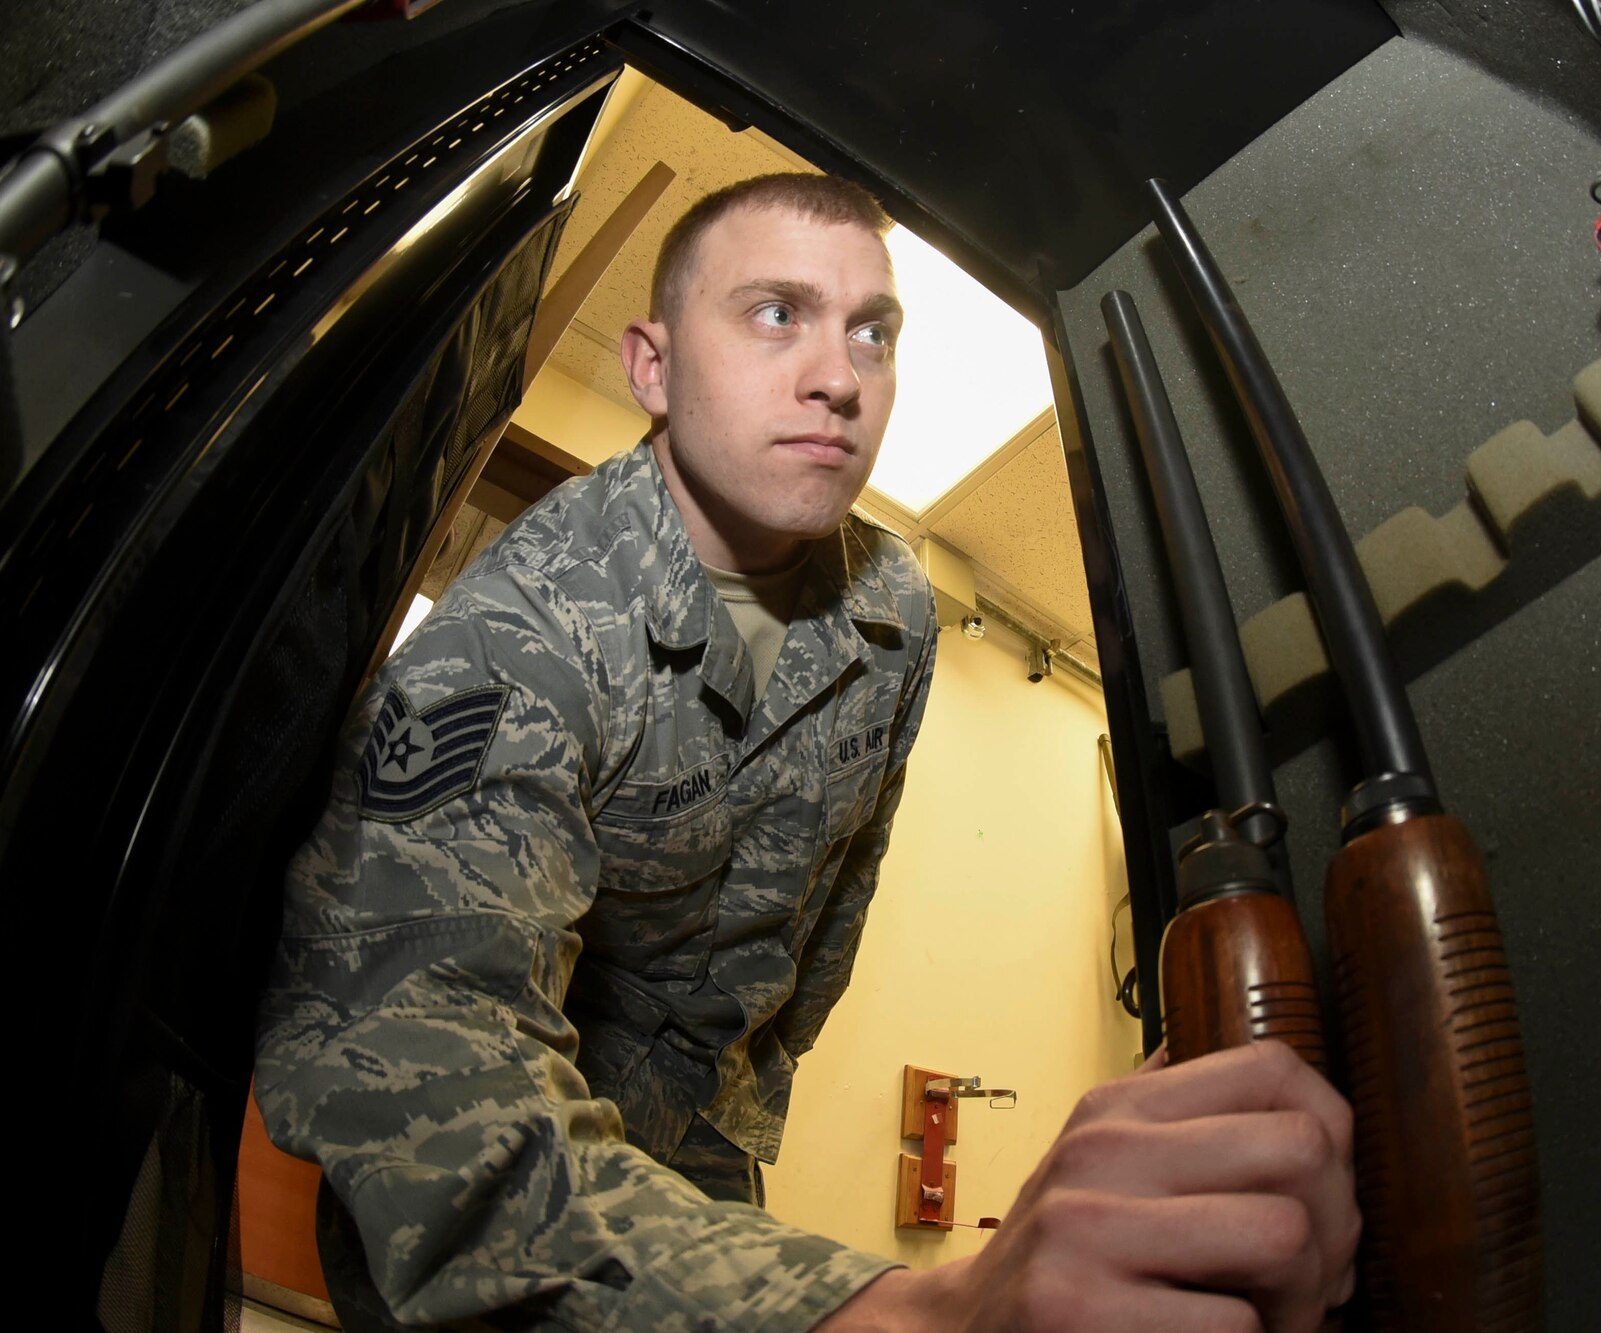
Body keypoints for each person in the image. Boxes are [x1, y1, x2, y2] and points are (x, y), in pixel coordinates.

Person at [255, 172, 1358, 1333]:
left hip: (703, 1167)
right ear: (651, 365)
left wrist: (734, 1132)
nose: (838, 377)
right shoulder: (524, 634)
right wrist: (907, 1314)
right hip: (499, 1239)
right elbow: (417, 1056)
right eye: (775, 313)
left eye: (871, 332)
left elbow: (827, 912)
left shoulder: (892, 609)